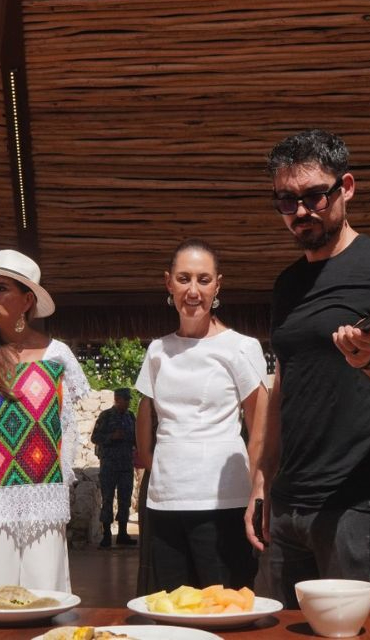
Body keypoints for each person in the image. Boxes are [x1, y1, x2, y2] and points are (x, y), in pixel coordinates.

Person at [251, 129, 370, 607]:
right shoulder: (286, 284)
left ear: (347, 187)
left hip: (359, 508)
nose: (301, 212)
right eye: (286, 201)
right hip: (290, 507)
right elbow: (284, 387)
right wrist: (263, 479)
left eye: (315, 195)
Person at [134, 238, 268, 591]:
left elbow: (260, 428)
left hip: (223, 501)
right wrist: (155, 471)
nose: (193, 290)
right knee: (170, 610)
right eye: (184, 278)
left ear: (217, 285)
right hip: (164, 501)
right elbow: (145, 414)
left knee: (223, 608)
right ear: (168, 283)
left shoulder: (241, 347)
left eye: (203, 280)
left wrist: (258, 491)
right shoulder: (158, 350)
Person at [0, 249, 88, 591]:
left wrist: (61, 479)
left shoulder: (58, 356)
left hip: (44, 498)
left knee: (46, 598)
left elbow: (67, 428)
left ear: (27, 300)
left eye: (2, 288)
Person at [92, 387, 138, 548]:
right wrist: (111, 436)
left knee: (125, 499)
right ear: (116, 399)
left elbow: (137, 437)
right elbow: (95, 437)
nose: (126, 403)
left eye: (127, 400)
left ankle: (123, 534)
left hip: (126, 465)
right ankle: (106, 536)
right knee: (107, 499)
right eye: (124, 399)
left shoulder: (131, 416)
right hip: (109, 465)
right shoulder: (106, 416)